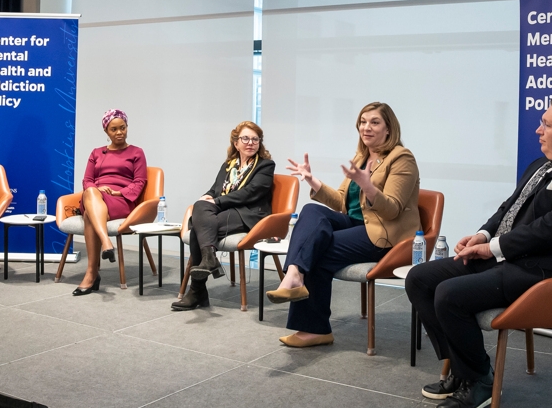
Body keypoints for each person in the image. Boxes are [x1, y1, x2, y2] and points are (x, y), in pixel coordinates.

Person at [405, 96, 552, 408]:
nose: (538, 130)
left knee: (449, 295)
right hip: (508, 256)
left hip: (543, 272)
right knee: (420, 279)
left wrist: (491, 249)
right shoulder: (540, 166)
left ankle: (480, 382)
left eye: (546, 124)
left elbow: (551, 230)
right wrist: (484, 235)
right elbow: (508, 208)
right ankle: (465, 370)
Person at [266, 102, 420, 347]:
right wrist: (312, 181)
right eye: (362, 122)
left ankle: (314, 328)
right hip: (355, 225)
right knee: (311, 210)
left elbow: (392, 209)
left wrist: (369, 187)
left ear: (389, 128)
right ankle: (294, 273)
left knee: (319, 249)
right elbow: (340, 202)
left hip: (383, 235)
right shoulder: (361, 157)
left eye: (374, 122)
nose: (366, 127)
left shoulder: (402, 158)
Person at [172, 121, 275, 311]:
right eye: (245, 138)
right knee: (200, 206)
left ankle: (197, 291)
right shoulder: (228, 165)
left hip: (248, 214)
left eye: (255, 139)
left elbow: (251, 192)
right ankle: (209, 257)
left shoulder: (266, 166)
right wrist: (208, 196)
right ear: (236, 143)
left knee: (197, 228)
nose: (250, 143)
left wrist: (216, 202)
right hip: (225, 211)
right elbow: (215, 189)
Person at [73, 109, 148, 296]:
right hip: (95, 197)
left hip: (121, 200)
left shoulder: (136, 152)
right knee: (90, 192)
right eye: (114, 129)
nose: (119, 132)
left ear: (127, 127)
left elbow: (140, 182)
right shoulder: (97, 153)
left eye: (122, 128)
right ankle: (107, 242)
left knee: (89, 214)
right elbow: (87, 181)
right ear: (106, 132)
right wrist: (97, 190)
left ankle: (91, 274)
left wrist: (118, 191)